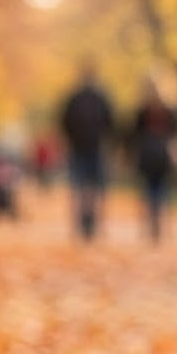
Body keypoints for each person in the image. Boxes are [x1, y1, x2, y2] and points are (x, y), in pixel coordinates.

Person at [60, 64, 115, 240]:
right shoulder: (101, 98)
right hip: (93, 147)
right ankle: (93, 223)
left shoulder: (74, 98)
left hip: (81, 147)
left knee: (80, 186)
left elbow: (64, 121)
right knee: (94, 187)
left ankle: (82, 223)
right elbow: (110, 122)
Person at [128, 77, 177, 243]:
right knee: (161, 190)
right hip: (159, 155)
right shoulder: (167, 111)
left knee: (151, 190)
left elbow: (134, 135)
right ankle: (159, 225)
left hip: (151, 155)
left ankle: (152, 224)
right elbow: (176, 133)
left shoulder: (144, 111)